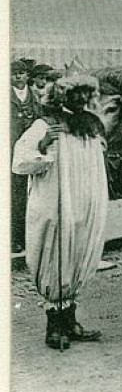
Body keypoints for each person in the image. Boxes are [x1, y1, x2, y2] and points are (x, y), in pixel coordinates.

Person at [12, 72, 108, 349]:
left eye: (85, 94)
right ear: (63, 95)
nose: (81, 99)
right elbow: (20, 162)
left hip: (82, 202)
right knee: (55, 256)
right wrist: (43, 146)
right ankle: (54, 326)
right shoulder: (45, 124)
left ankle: (72, 322)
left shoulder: (91, 125)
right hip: (54, 201)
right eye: (75, 93)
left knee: (78, 253)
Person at [11, 58, 40, 253]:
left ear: (27, 75)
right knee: (16, 195)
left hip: (33, 149)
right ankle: (15, 239)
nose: (18, 75)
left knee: (37, 194)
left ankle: (32, 237)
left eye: (21, 72)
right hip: (11, 151)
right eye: (14, 72)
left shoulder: (36, 96)